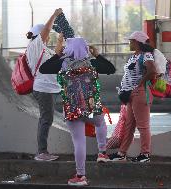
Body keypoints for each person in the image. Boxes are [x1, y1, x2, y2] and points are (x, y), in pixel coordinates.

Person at [40, 36, 116, 186]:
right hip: (91, 106)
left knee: (79, 142)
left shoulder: (63, 63)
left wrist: (58, 54)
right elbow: (111, 69)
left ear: (68, 49)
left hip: (72, 108)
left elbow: (43, 69)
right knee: (100, 124)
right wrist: (97, 55)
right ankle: (102, 152)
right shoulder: (92, 62)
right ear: (86, 48)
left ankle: (81, 175)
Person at [109, 31, 157, 163]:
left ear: (137, 42)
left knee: (143, 126)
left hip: (139, 94)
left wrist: (139, 84)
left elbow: (152, 71)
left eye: (131, 41)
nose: (129, 43)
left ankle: (145, 154)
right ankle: (121, 153)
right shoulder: (133, 57)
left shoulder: (146, 55)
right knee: (129, 126)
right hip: (131, 95)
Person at [25, 8, 63, 161]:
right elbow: (46, 30)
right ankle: (41, 152)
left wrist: (60, 40)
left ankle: (42, 151)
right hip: (43, 88)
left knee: (47, 118)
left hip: (50, 88)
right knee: (46, 119)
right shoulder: (35, 46)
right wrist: (54, 15)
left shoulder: (44, 49)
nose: (48, 37)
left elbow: (57, 55)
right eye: (46, 35)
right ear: (40, 35)